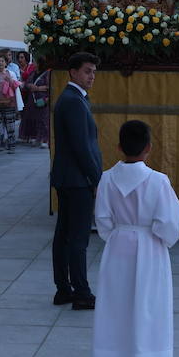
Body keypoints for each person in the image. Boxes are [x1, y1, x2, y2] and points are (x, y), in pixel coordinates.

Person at [93, 119, 179, 357]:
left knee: (119, 304)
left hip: (119, 244)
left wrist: (119, 235)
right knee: (148, 306)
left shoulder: (107, 178)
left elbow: (103, 220)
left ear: (119, 147)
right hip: (150, 246)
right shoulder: (158, 181)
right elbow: (168, 223)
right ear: (149, 148)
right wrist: (159, 238)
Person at [52, 52, 103, 309]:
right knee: (77, 238)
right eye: (87, 71)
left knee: (64, 235)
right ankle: (81, 292)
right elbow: (81, 146)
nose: (91, 76)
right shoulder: (72, 100)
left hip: (70, 177)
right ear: (72, 72)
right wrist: (96, 178)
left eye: (93, 72)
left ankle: (64, 288)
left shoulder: (75, 98)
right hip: (76, 179)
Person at [0, 55, 21, 154]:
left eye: (2, 61)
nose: (0, 63)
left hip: (9, 104)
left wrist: (10, 80)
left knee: (10, 127)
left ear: (6, 63)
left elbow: (16, 87)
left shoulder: (11, 73)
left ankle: (12, 146)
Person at [17, 52, 50, 148]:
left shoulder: (47, 73)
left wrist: (38, 88)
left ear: (40, 63)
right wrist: (30, 86)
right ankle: (35, 138)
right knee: (33, 118)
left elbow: (49, 86)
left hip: (43, 99)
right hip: (32, 100)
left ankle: (45, 139)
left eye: (34, 62)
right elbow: (27, 84)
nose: (33, 63)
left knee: (43, 119)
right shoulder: (33, 73)